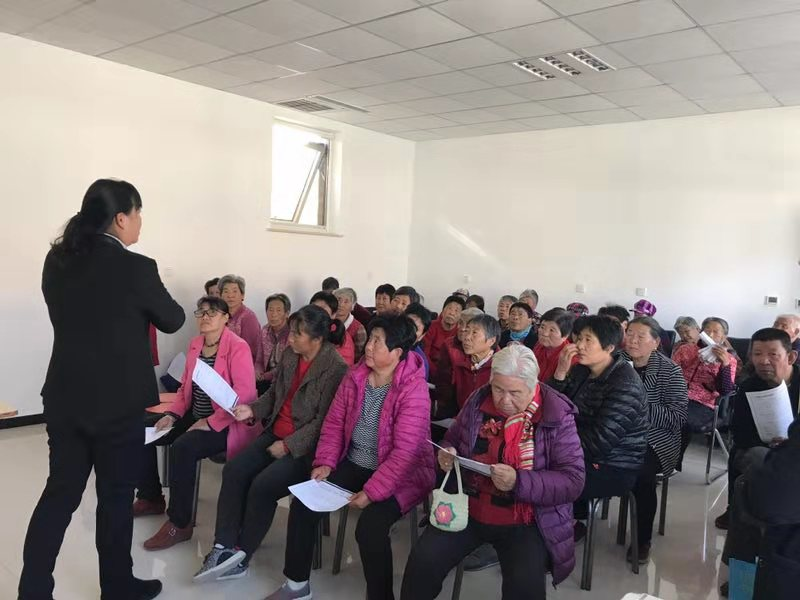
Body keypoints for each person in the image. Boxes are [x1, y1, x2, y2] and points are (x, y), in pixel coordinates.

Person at [19, 179, 185, 600]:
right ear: (121, 218)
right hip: (119, 404)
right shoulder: (137, 267)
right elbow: (173, 319)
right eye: (139, 213)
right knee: (115, 498)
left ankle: (32, 590)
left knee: (60, 495)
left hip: (65, 397)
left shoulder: (57, 260)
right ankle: (117, 586)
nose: (141, 221)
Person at [265, 315, 436, 600]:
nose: (368, 346)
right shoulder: (356, 376)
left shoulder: (413, 390)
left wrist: (372, 492)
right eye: (370, 338)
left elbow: (405, 454)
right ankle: (297, 585)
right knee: (303, 505)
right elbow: (334, 423)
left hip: (403, 475)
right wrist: (326, 462)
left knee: (369, 528)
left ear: (397, 352)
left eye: (377, 342)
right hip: (356, 462)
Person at [401, 345, 585, 600]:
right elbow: (452, 438)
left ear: (533, 385)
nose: (504, 400)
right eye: (498, 389)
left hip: (526, 518)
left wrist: (518, 481)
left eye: (514, 393)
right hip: (468, 508)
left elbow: (573, 481)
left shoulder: (555, 414)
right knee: (423, 562)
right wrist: (446, 453)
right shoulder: (479, 400)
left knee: (525, 586)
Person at [192, 305, 349, 582]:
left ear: (317, 339)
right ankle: (222, 545)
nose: (291, 339)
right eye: (292, 333)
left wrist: (288, 445)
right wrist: (252, 409)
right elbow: (274, 395)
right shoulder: (291, 355)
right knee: (234, 470)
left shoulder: (335, 368)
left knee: (262, 486)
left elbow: (324, 422)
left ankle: (241, 555)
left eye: (297, 334)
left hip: (304, 448)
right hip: (274, 433)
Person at [138, 296, 260, 550]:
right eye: (201, 312)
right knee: (143, 429)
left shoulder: (238, 347)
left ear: (226, 318)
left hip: (227, 423)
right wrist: (172, 415)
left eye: (212, 312)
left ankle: (180, 523)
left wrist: (211, 422)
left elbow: (244, 396)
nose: (205, 317)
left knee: (183, 447)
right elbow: (185, 389)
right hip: (195, 415)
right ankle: (151, 497)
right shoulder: (196, 344)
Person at [548, 315, 648, 541]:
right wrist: (560, 373)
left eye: (588, 340)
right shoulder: (582, 370)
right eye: (579, 338)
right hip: (578, 452)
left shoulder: (624, 384)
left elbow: (599, 442)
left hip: (612, 465)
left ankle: (560, 531)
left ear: (609, 347)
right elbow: (551, 407)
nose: (579, 345)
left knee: (544, 477)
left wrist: (553, 446)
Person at [715, 328, 800, 530]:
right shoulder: (749, 387)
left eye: (773, 354)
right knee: (756, 458)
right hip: (761, 447)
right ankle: (740, 510)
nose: (763, 361)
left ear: (790, 357)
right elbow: (740, 433)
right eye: (757, 354)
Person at [621, 317, 688, 562]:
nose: (632, 340)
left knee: (642, 473)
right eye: (629, 334)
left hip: (656, 438)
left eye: (640, 336)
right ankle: (578, 518)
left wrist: (639, 406)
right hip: (617, 433)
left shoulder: (670, 371)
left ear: (656, 342)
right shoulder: (616, 362)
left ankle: (642, 539)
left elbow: (677, 417)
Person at [674, 316, 738, 466]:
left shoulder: (729, 359)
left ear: (724, 337)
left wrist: (724, 364)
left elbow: (725, 390)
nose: (710, 335)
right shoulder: (686, 349)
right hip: (677, 394)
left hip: (702, 402)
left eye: (716, 332)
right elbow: (670, 371)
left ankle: (673, 463)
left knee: (679, 419)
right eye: (707, 331)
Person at [432, 306, 483, 418]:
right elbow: (443, 378)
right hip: (449, 401)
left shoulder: (485, 347)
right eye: (460, 323)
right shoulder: (449, 344)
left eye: (468, 325)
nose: (462, 328)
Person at [453, 314, 501, 412]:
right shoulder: (460, 364)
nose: (467, 337)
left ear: (491, 341)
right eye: (467, 331)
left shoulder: (500, 369)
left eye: (474, 333)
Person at [255, 293, 291, 395]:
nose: (273, 314)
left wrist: (266, 376)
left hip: (283, 378)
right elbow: (259, 360)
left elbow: (287, 365)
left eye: (278, 310)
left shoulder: (292, 333)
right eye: (270, 310)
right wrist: (257, 371)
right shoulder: (264, 330)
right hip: (265, 378)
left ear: (287, 313)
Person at [219, 274, 261, 361]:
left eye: (235, 291)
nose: (230, 295)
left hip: (241, 362)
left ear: (242, 295)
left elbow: (251, 350)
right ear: (220, 295)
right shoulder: (218, 315)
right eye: (226, 291)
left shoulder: (248, 317)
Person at [423, 295, 464, 381]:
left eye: (456, 311)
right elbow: (424, 353)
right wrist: (435, 372)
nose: (452, 313)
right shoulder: (431, 326)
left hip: (449, 376)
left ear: (461, 316)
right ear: (443, 310)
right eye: (449, 308)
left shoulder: (460, 333)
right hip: (428, 370)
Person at [310, 291, 355, 366]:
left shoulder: (341, 337)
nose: (316, 313)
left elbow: (343, 367)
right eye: (313, 309)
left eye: (322, 310)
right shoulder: (305, 329)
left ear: (333, 314)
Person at [534, 308, 576, 382]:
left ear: (565, 336)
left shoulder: (569, 357)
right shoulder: (540, 345)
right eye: (542, 327)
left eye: (552, 330)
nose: (544, 333)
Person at [335, 287, 368, 362]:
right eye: (338, 300)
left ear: (352, 306)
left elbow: (359, 357)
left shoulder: (358, 328)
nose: (341, 304)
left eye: (346, 302)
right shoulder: (327, 321)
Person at [405, 301, 433, 380]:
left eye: (416, 329)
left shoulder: (420, 363)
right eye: (408, 324)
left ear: (422, 336)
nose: (410, 331)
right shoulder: (384, 342)